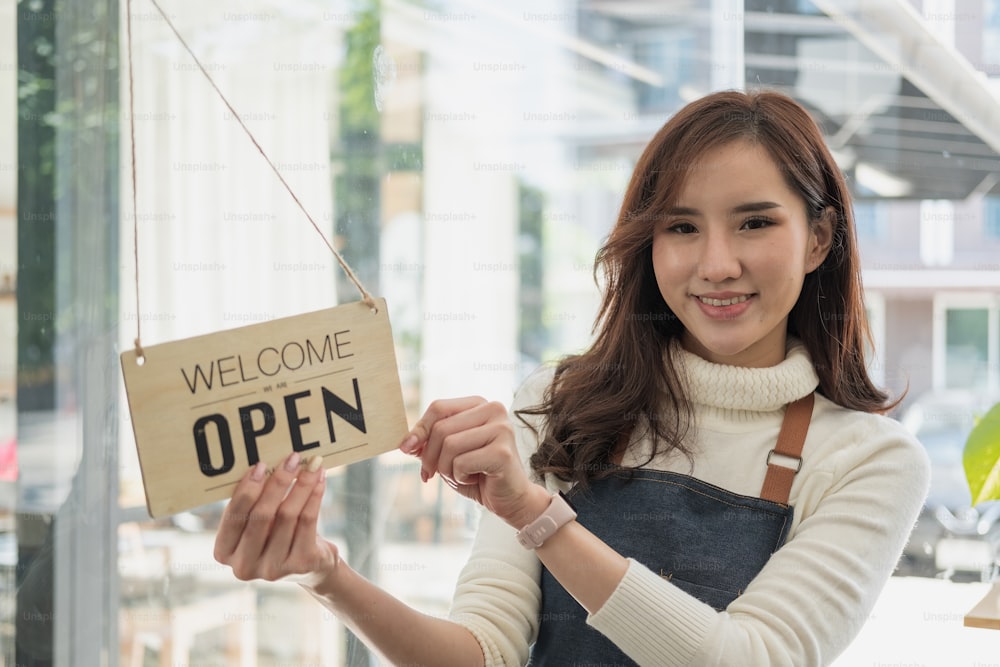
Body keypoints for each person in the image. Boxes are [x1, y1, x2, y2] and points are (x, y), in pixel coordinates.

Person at [213, 89, 930, 666]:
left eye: (754, 224)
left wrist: (536, 513)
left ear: (821, 239)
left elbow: (744, 657)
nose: (716, 263)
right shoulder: (558, 407)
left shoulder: (868, 461)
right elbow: (481, 653)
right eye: (681, 227)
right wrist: (321, 571)